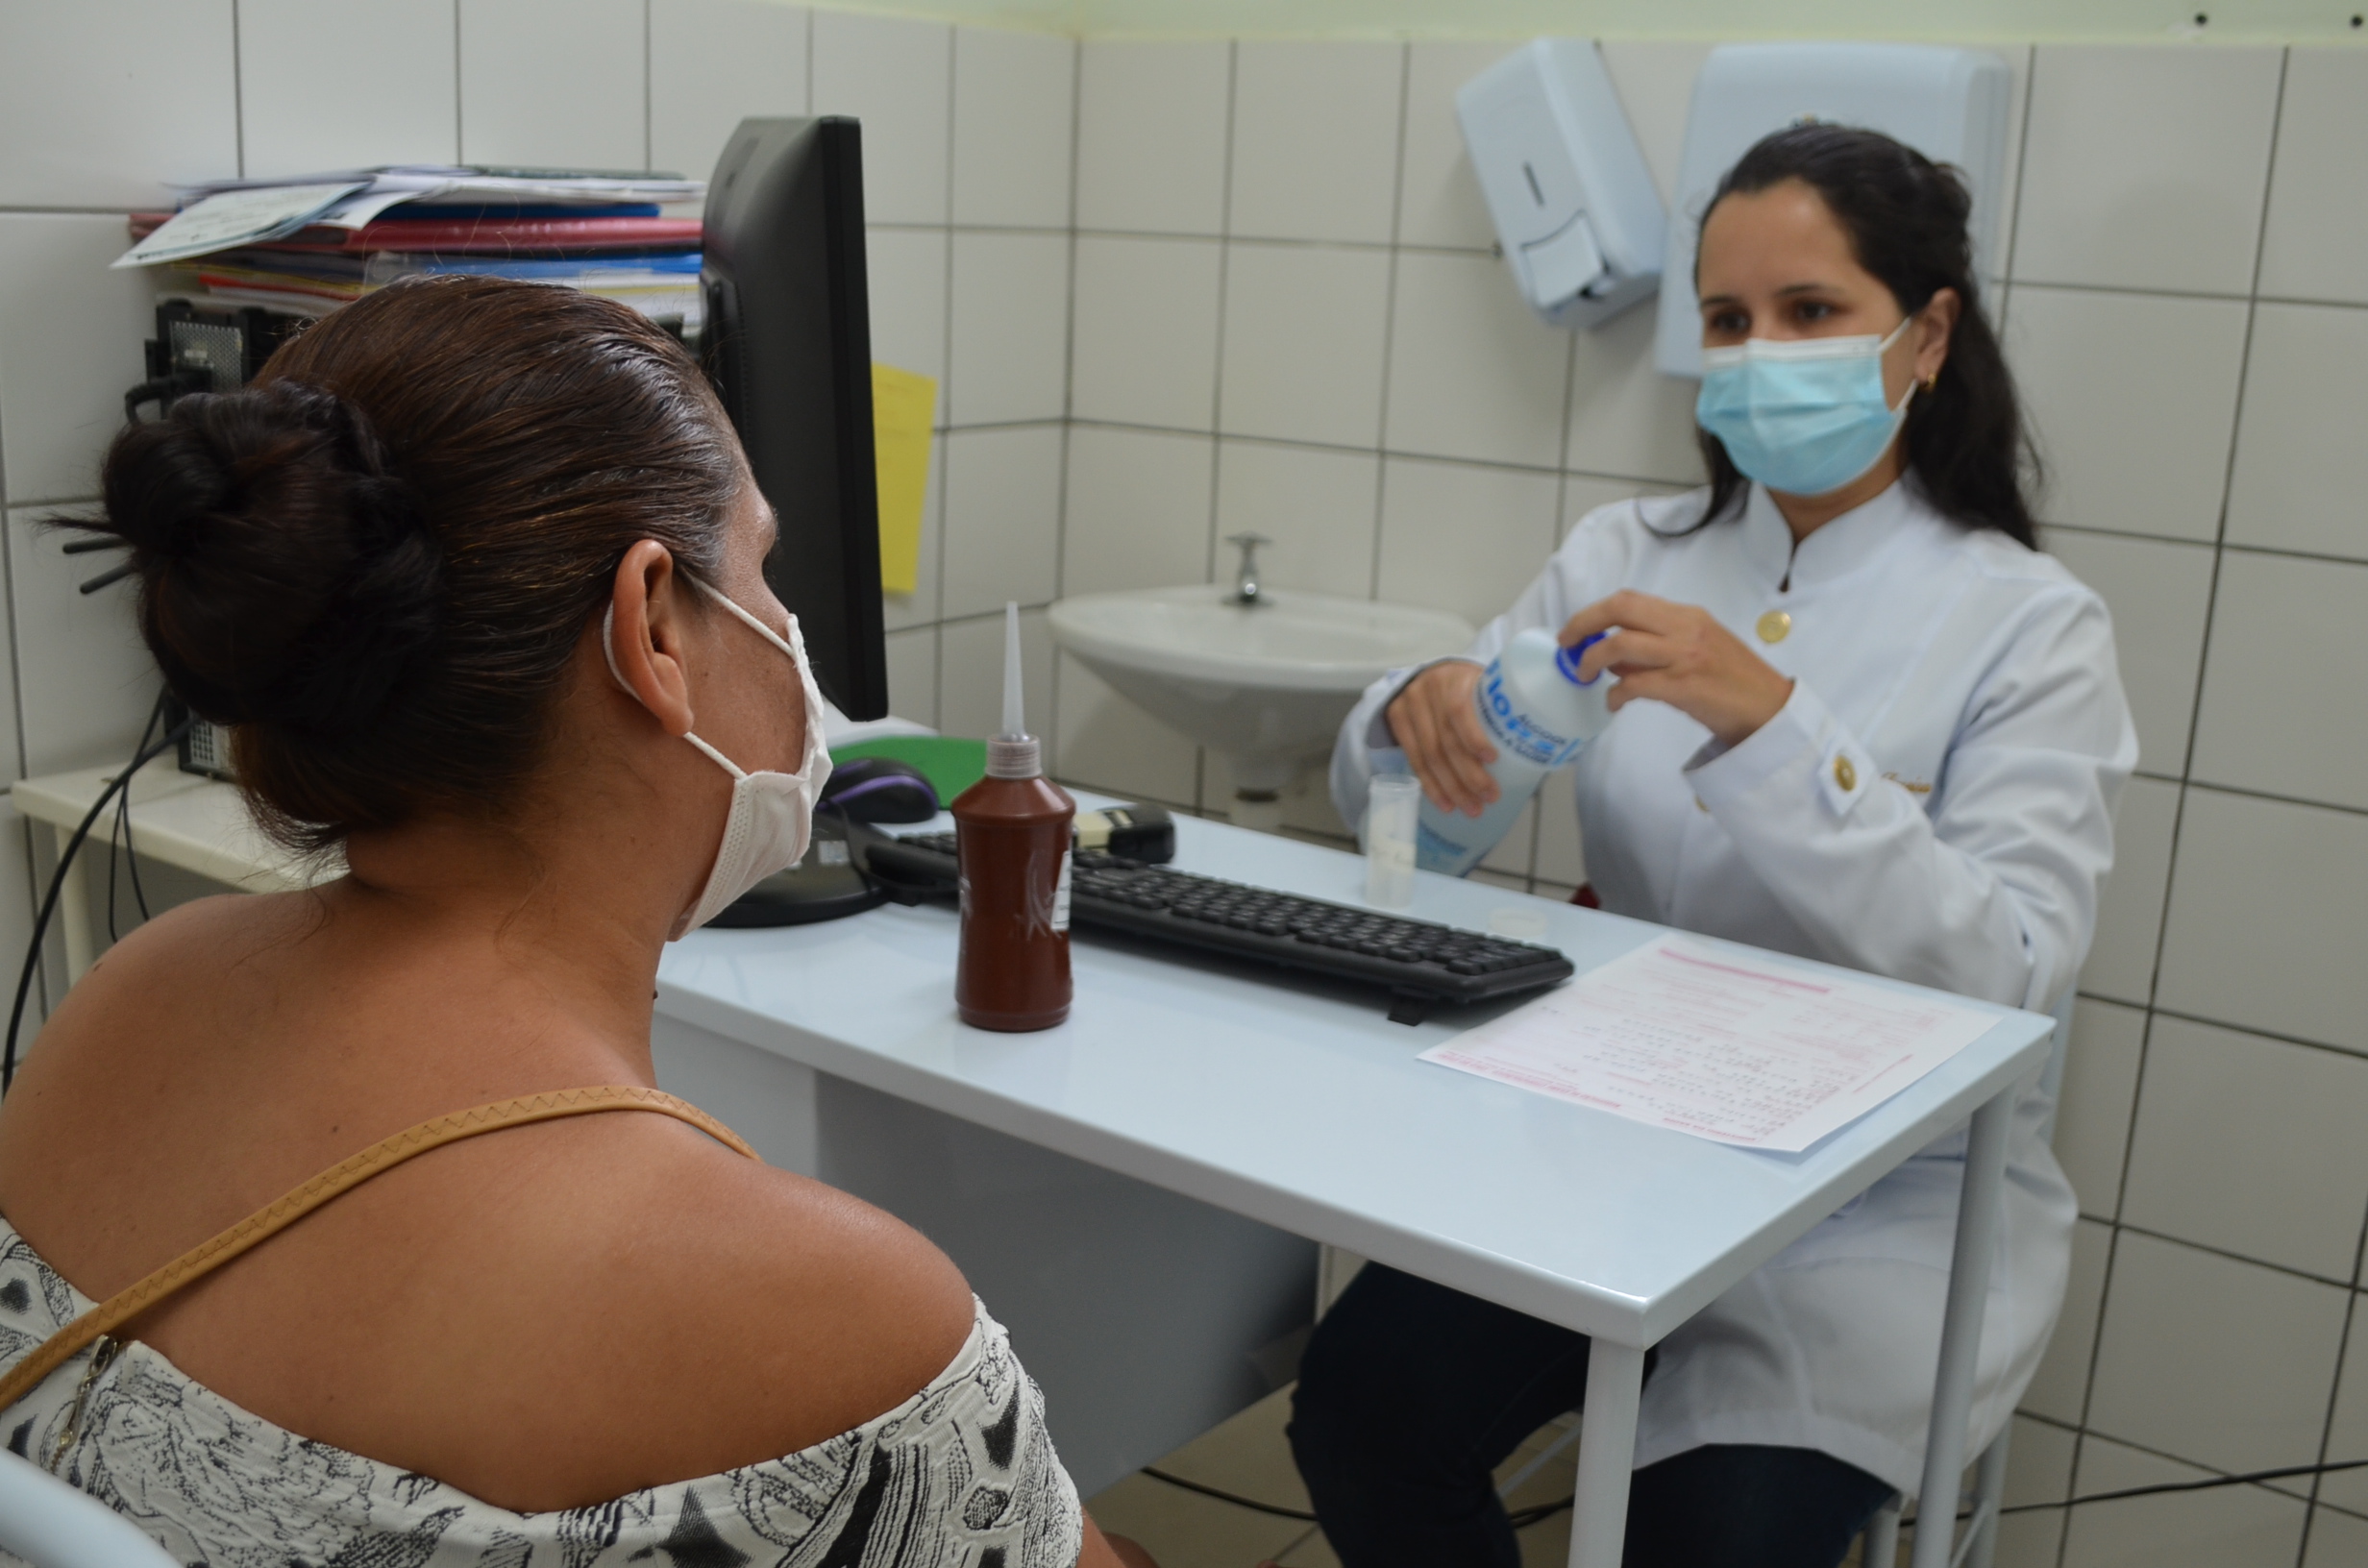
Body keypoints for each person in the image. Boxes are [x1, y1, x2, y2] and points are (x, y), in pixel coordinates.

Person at [0, 277, 1151, 1568]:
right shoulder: (829, 1315)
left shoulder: (128, 1003)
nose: (785, 627)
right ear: (652, 626)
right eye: (762, 566)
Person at [1303, 124, 2136, 1568]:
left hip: (1880, 1208)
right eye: (1730, 320)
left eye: (1811, 311)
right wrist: (1418, 714)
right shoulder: (1624, 556)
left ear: (1929, 334)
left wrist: (1776, 726)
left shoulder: (2031, 627)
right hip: (1614, 1135)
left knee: (1707, 1534)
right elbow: (1415, 821)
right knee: (1364, 1410)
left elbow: (2009, 969)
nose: (1761, 355)